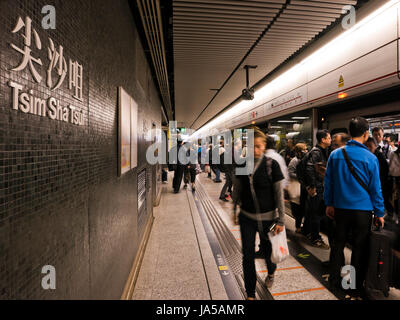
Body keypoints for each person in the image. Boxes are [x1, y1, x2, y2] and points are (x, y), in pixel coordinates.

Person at [325, 117, 385, 300]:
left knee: (338, 245)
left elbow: (329, 183)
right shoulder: (371, 158)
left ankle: (335, 280)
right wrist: (380, 212)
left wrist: (329, 203)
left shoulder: (335, 155)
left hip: (341, 210)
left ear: (350, 133)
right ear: (366, 134)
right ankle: (353, 286)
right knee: (359, 248)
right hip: (362, 212)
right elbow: (376, 188)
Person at [232, 130, 285, 300]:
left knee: (268, 250)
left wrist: (281, 220)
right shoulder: (242, 165)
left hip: (269, 218)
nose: (255, 150)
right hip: (247, 218)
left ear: (264, 146)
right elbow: (237, 189)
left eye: (258, 146)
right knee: (247, 255)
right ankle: (250, 293)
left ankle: (271, 272)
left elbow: (279, 194)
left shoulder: (272, 165)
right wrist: (234, 209)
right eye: (252, 146)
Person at [303, 130, 331, 249]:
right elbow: (310, 169)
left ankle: (306, 231)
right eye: (329, 138)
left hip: (318, 186)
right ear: (323, 140)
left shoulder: (322, 151)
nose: (330, 140)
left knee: (312, 211)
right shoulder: (317, 152)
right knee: (317, 213)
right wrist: (313, 186)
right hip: (317, 187)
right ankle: (315, 238)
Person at [365, 137, 391, 216]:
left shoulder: (380, 156)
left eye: (370, 146)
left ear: (375, 146)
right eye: (366, 146)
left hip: (380, 183)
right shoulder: (366, 156)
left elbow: (385, 171)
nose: (368, 148)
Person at [288, 143, 308, 233]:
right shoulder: (294, 161)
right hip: (296, 187)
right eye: (305, 149)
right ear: (299, 151)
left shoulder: (306, 160)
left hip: (303, 186)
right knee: (297, 207)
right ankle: (298, 226)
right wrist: (300, 176)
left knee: (303, 206)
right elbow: (290, 173)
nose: (306, 151)